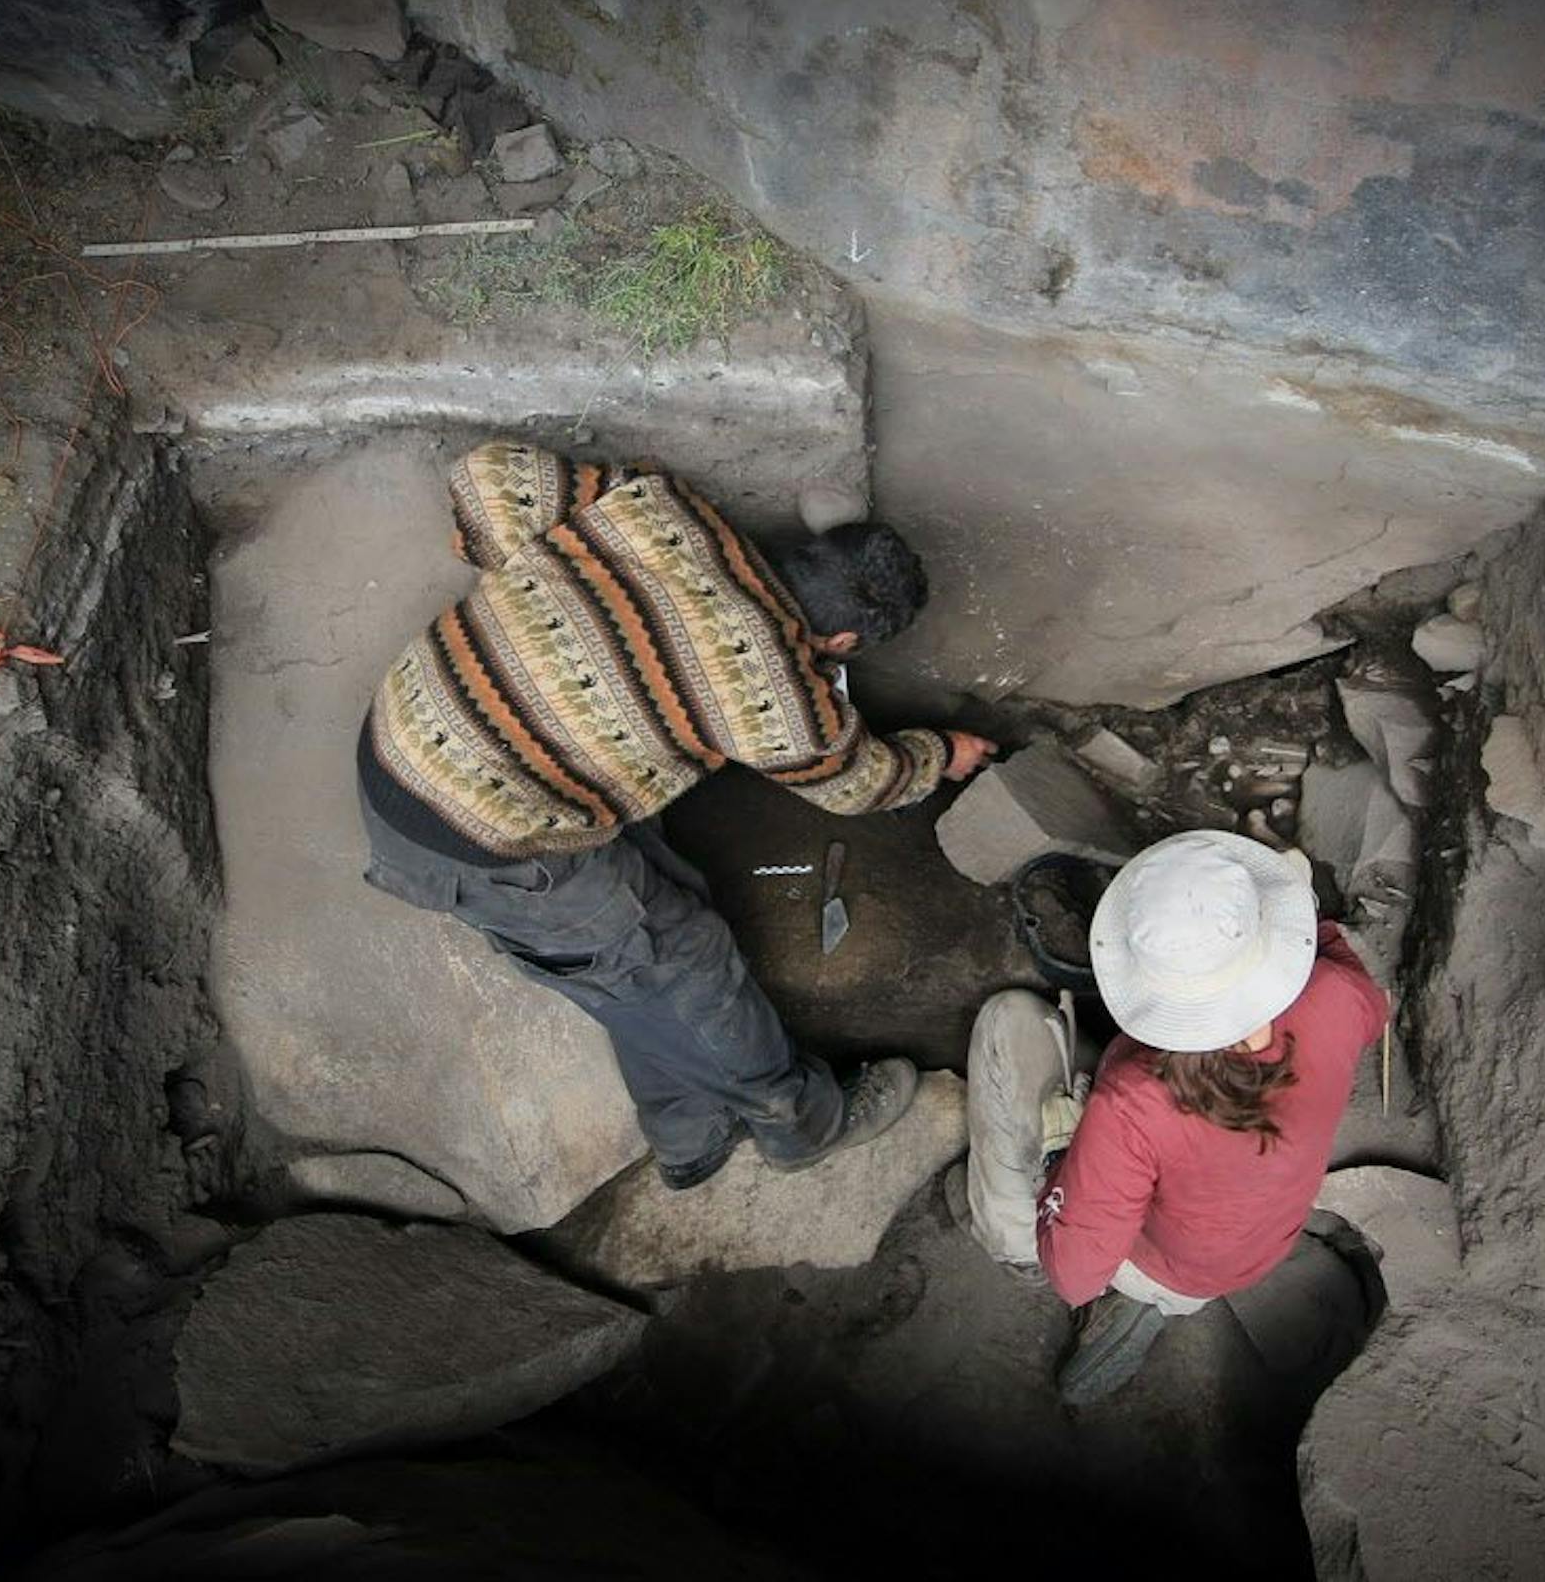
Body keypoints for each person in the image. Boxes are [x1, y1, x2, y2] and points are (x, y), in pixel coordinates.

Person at [356, 439, 997, 1191]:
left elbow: (485, 473)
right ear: (844, 642)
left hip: (402, 726)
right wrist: (940, 752)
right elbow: (860, 784)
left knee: (646, 931)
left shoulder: (664, 508)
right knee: (684, 963)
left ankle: (688, 1135)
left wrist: (536, 600)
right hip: (471, 840)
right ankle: (800, 1123)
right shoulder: (775, 691)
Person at [955, 829, 1388, 1403]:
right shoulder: (1338, 993)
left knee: (1007, 1020)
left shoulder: (1135, 1103)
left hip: (1159, 1259)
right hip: (1260, 1243)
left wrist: (1064, 1159)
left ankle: (1090, 1273)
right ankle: (1157, 1300)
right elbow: (1344, 972)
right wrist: (1289, 896)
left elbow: (1074, 1276)